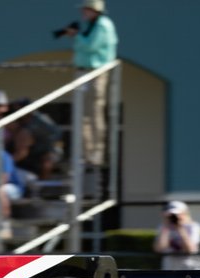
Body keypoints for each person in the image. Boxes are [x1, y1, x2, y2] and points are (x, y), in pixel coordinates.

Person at [62, 0, 118, 169]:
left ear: (94, 10)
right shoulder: (92, 25)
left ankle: (97, 152)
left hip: (96, 72)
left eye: (85, 9)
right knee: (83, 113)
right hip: (84, 72)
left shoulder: (103, 25)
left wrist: (76, 35)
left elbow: (92, 46)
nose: (83, 12)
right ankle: (86, 153)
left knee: (95, 111)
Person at [153, 200, 200, 270]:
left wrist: (180, 228)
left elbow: (190, 250)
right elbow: (159, 249)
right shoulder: (163, 227)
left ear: (185, 213)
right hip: (169, 269)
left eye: (178, 214)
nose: (175, 217)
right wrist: (166, 227)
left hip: (190, 268)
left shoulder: (193, 227)